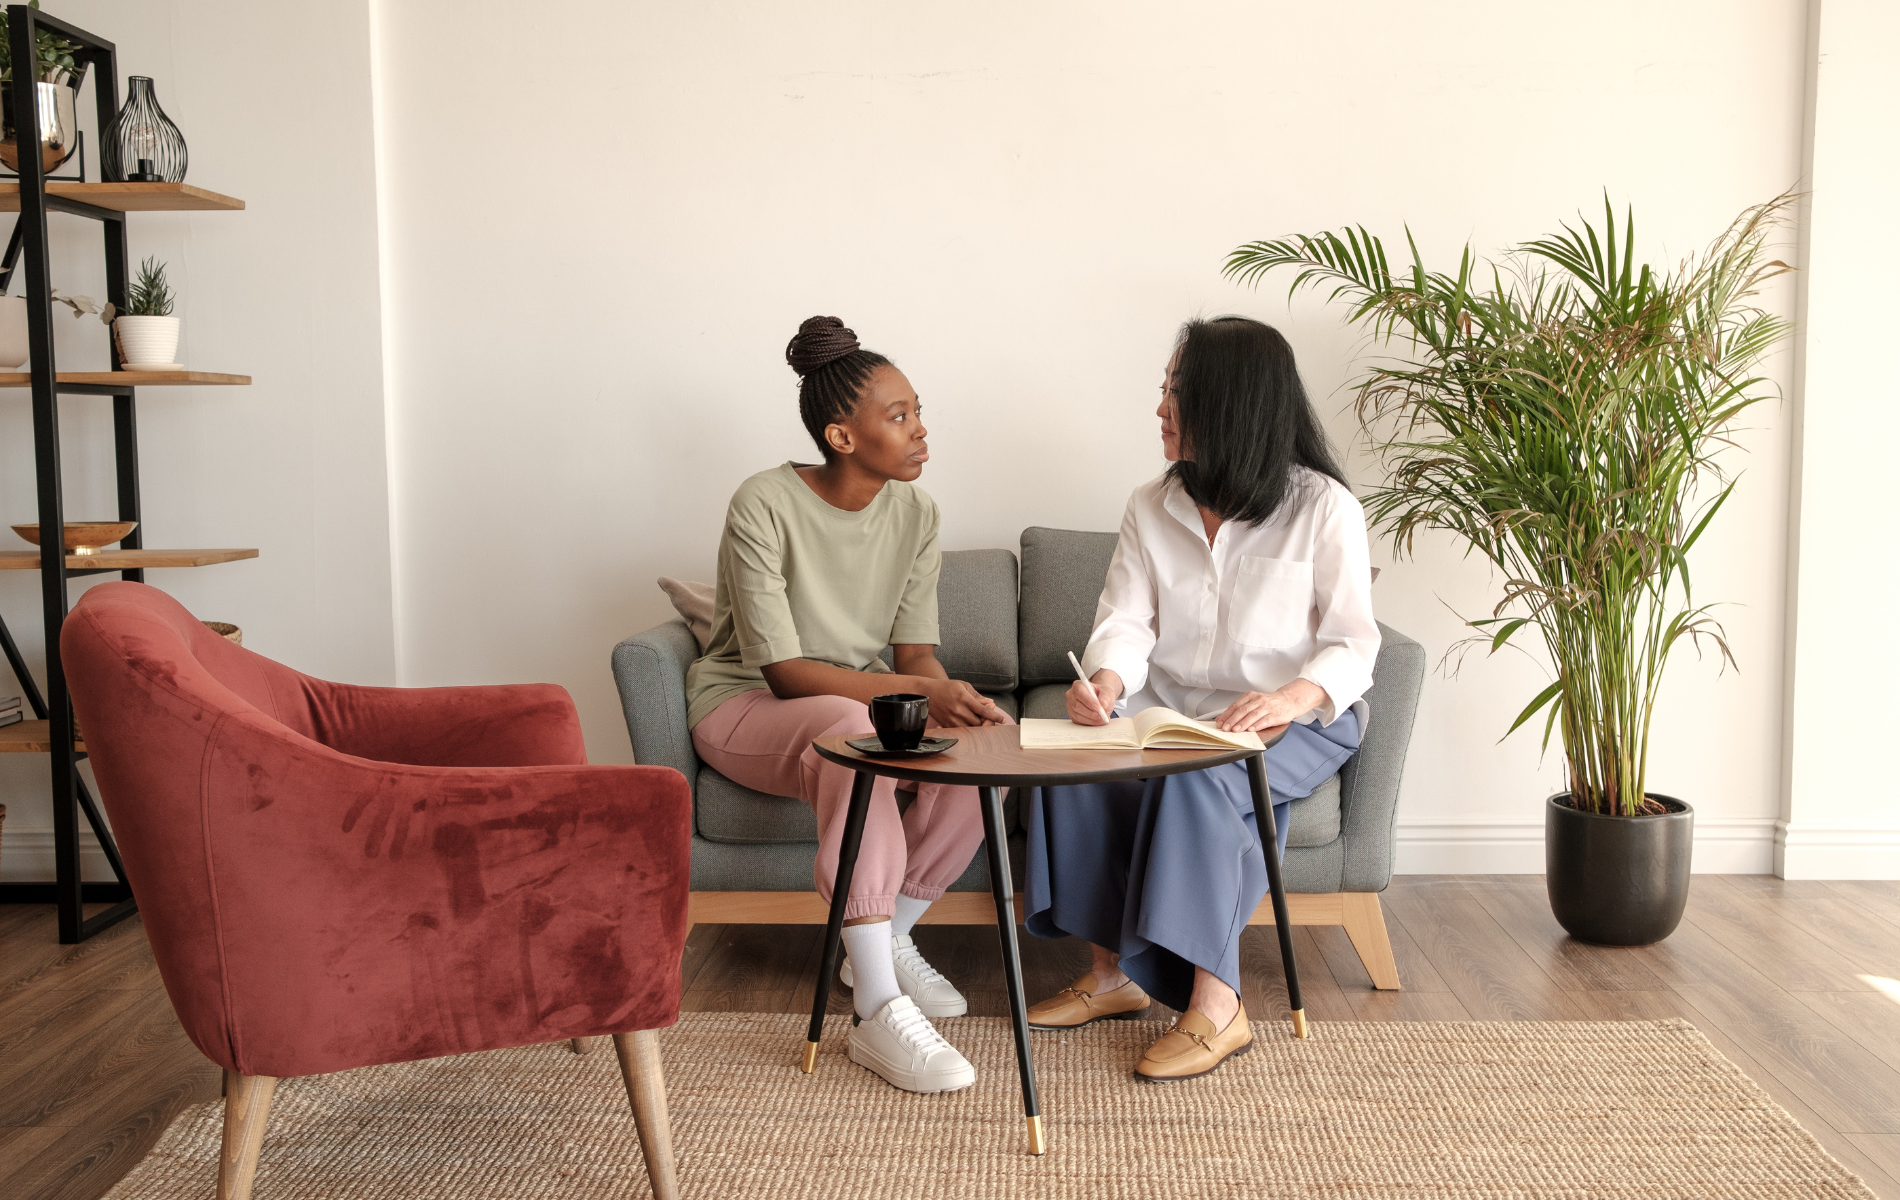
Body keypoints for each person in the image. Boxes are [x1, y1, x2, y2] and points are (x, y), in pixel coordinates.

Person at [1022, 316, 1380, 1083]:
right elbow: (1124, 620)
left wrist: (1289, 697)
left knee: (1201, 780)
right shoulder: (1150, 504)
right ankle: (1111, 975)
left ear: (1230, 401)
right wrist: (1107, 685)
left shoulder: (1323, 508)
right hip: (1176, 707)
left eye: (1175, 392)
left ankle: (1219, 1007)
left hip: (1301, 717)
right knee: (1075, 760)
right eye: (1163, 390)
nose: (1160, 408)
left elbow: (1354, 642)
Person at [687, 315, 1010, 1095]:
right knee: (846, 732)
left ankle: (882, 940)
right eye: (898, 418)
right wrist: (918, 693)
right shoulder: (762, 501)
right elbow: (788, 674)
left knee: (982, 751)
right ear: (841, 435)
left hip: (864, 705)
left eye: (917, 411)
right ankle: (877, 1008)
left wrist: (948, 700)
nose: (920, 431)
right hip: (747, 707)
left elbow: (912, 659)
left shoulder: (917, 516)